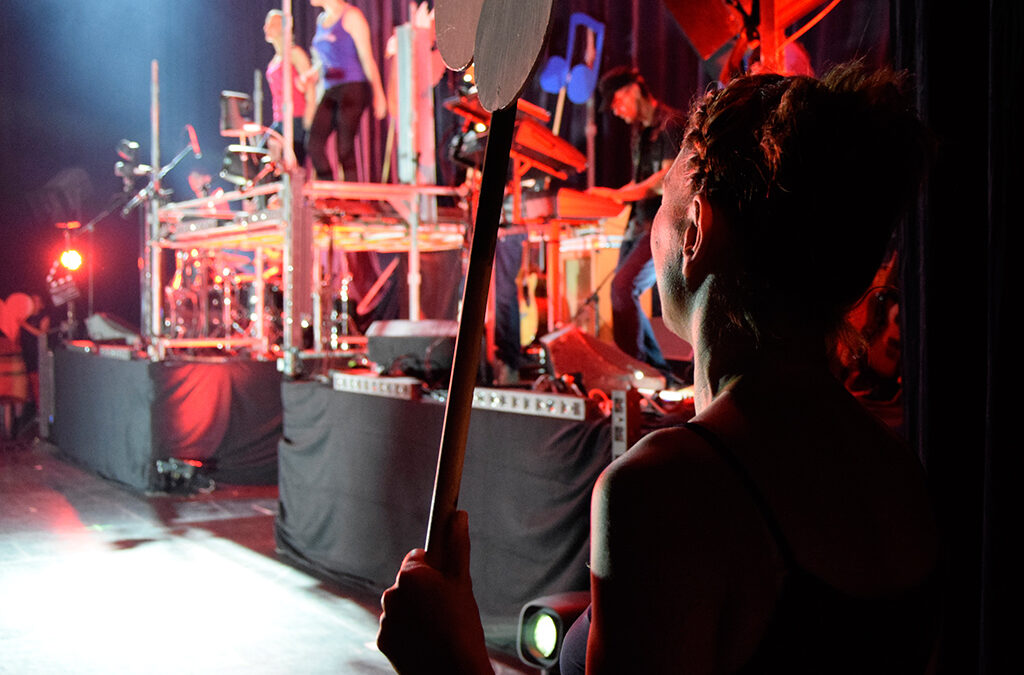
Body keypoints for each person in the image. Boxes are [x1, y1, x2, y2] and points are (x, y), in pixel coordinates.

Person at [377, 62, 939, 673]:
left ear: (695, 232)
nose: (651, 233)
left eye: (663, 206)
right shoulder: (901, 472)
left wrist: (449, 659)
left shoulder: (664, 491)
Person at [588, 66, 683, 378]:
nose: (616, 111)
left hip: (662, 224)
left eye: (617, 102)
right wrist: (608, 196)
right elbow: (638, 183)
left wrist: (617, 195)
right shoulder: (640, 133)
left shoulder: (670, 124)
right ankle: (656, 372)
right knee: (621, 294)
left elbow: (665, 181)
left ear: (633, 90)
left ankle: (636, 373)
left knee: (622, 288)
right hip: (640, 224)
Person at [307, 0, 388, 181]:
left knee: (344, 147)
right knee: (314, 144)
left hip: (352, 86)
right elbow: (325, 59)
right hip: (330, 88)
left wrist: (379, 93)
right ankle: (329, 191)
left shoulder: (351, 16)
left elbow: (367, 57)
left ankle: (352, 194)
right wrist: (312, 73)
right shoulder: (321, 20)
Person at [263, 9, 317, 168]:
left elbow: (310, 87)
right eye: (266, 24)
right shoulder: (273, 61)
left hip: (297, 118)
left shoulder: (295, 53)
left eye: (272, 24)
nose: (266, 28)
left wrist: (309, 118)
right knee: (263, 159)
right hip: (279, 119)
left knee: (294, 164)